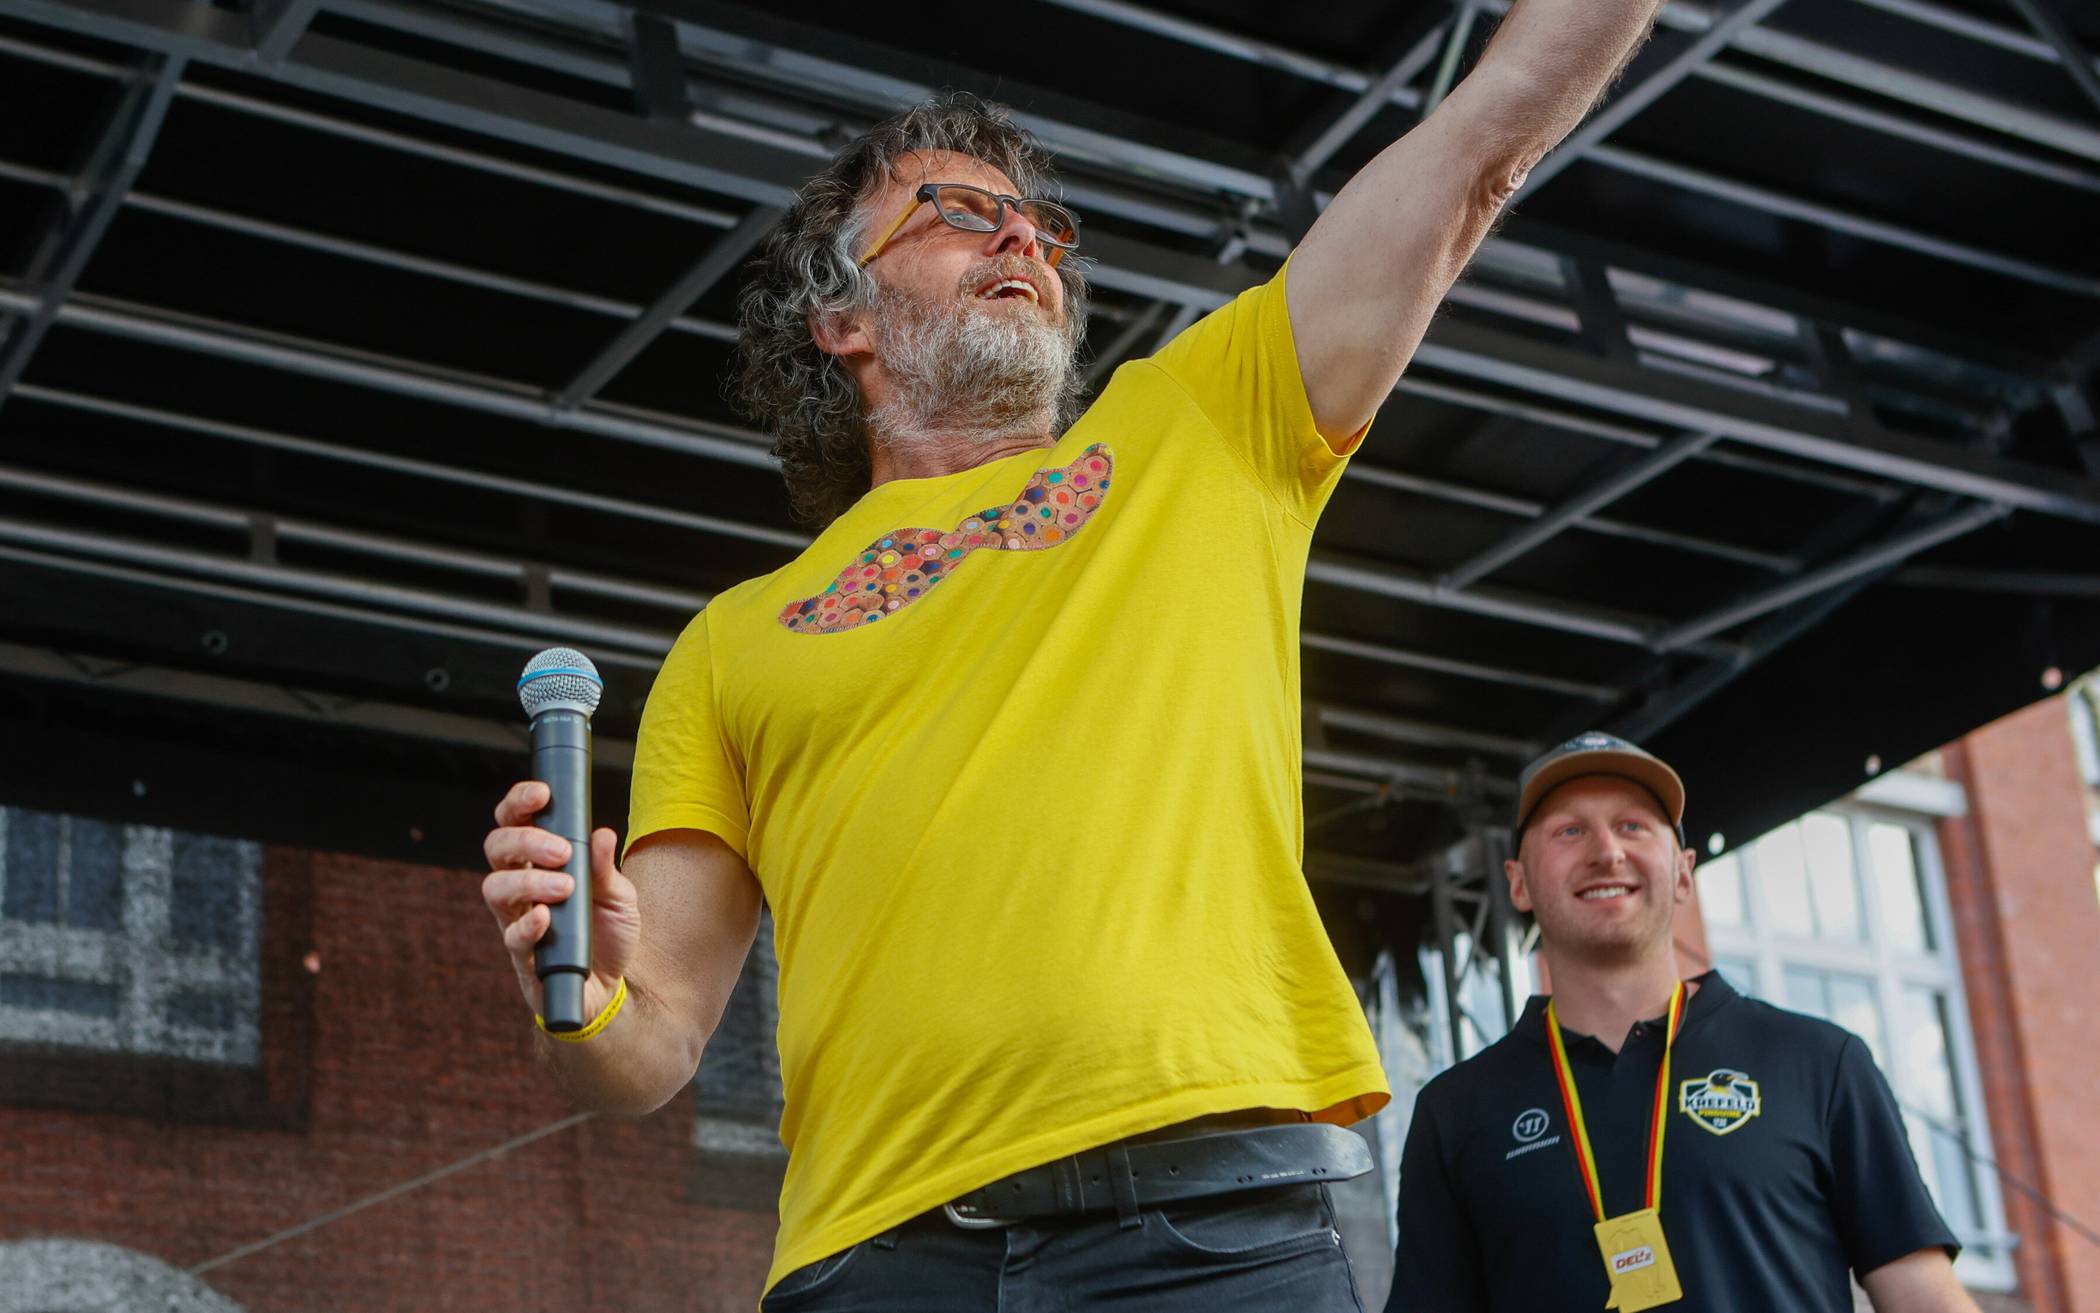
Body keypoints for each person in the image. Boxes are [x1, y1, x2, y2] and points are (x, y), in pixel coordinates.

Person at [480, 2, 1667, 1305]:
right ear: (841, 318)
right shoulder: (732, 640)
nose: (1021, 238)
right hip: (879, 1260)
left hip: (1214, 1230)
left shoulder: (1204, 420)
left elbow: (1484, 141)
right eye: (955, 209)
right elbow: (647, 1046)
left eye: (1040, 227)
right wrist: (581, 992)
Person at [1386, 732, 1979, 1313]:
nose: (1606, 852)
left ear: (1684, 872)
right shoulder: (1456, 1111)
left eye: (1632, 826)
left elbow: (1925, 1298)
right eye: (1570, 831)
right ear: (1518, 882)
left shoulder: (1818, 1063)